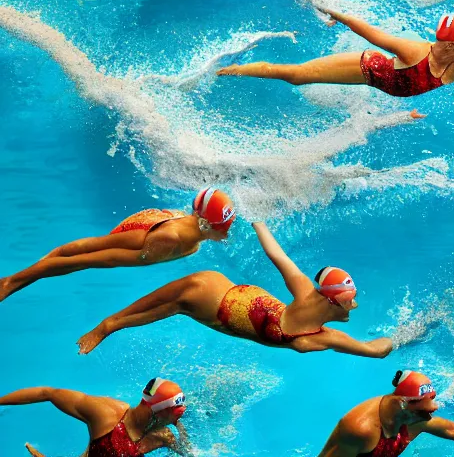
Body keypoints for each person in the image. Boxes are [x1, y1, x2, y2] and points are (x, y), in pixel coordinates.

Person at [77, 221, 393, 358]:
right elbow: (373, 350)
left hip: (219, 286)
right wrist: (400, 339)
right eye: (350, 302)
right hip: (213, 304)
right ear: (333, 301)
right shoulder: (321, 337)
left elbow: (277, 255)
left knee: (164, 304)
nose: (354, 307)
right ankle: (109, 326)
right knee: (170, 307)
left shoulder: (305, 293)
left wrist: (257, 219)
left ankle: (109, 324)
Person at [0, 188, 235, 302]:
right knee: (78, 259)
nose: (227, 233)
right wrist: (47, 269)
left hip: (160, 222)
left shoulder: (195, 238)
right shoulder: (171, 240)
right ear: (206, 224)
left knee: (80, 255)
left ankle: (21, 278)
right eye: (224, 227)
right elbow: (109, 259)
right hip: (146, 233)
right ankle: (10, 282)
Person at [217, 12, 454, 97]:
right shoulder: (415, 51)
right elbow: (375, 35)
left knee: (297, 79)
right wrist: (338, 15)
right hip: (368, 68)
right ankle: (229, 69)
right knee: (295, 76)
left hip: (388, 85)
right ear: (451, 44)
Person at [318, 369, 454, 456]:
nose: (430, 415)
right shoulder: (361, 429)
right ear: (404, 404)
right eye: (424, 411)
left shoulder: (413, 417)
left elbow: (451, 429)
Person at [0, 377, 191, 457]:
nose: (176, 421)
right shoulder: (106, 414)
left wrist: (180, 429)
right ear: (158, 411)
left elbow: (190, 453)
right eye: (175, 416)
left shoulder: (163, 436)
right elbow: (47, 392)